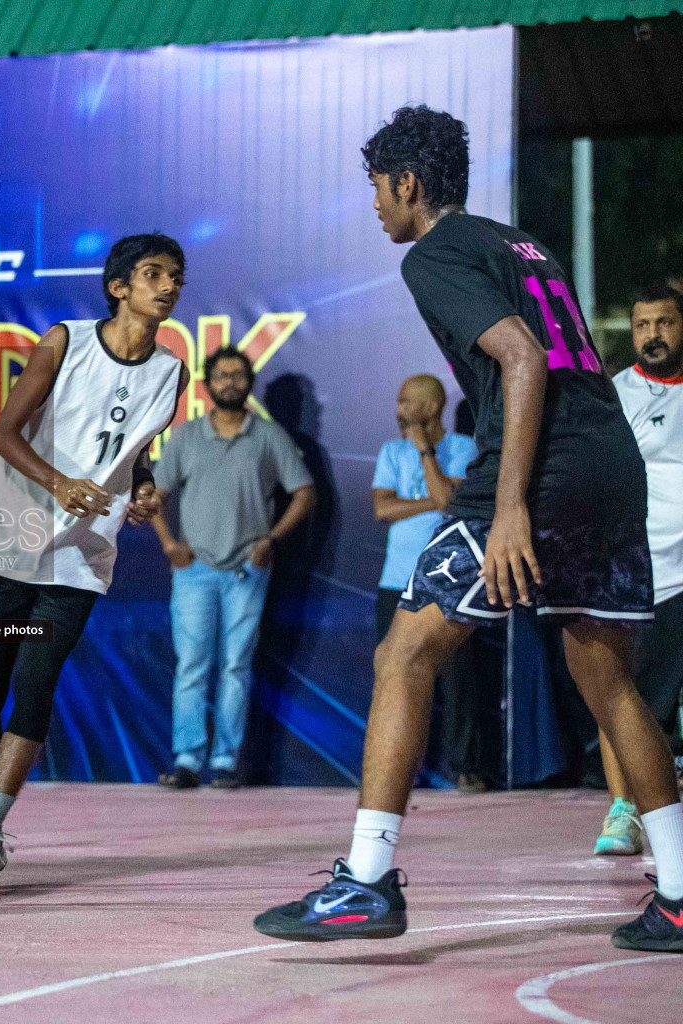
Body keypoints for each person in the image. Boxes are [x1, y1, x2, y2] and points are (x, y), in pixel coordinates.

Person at [254, 105, 683, 953]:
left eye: (377, 186)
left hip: (540, 474)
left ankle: (367, 883)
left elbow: (522, 358)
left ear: (409, 182)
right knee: (611, 686)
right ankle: (678, 893)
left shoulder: (436, 253)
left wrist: (512, 507)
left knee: (402, 655)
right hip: (609, 466)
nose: (375, 203)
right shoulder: (520, 242)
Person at [0, 233, 186, 888]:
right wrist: (59, 483)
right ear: (118, 286)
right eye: (152, 273)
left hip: (82, 551)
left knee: (36, 683)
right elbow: (3, 432)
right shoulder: (65, 340)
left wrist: (141, 489)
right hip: (11, 529)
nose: (167, 285)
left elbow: (134, 451)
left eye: (175, 276)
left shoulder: (172, 371)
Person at [150, 347, 316, 789]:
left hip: (247, 567)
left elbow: (304, 492)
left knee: (236, 667)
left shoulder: (268, 436)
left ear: (249, 383)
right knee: (191, 666)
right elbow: (153, 497)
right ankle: (187, 760)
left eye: (238, 375)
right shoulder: (185, 437)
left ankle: (224, 762)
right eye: (221, 376)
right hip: (194, 569)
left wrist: (272, 539)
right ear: (207, 384)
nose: (230, 383)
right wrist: (169, 544)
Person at [594, 283, 683, 856]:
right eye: (643, 323)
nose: (653, 334)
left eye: (665, 322)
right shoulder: (614, 396)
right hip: (638, 568)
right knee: (621, 691)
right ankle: (624, 810)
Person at [371, 375, 488, 792]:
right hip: (395, 579)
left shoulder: (464, 448)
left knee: (458, 679)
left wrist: (424, 451)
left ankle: (466, 767)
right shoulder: (390, 450)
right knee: (394, 671)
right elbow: (383, 508)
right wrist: (431, 501)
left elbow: (449, 501)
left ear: (431, 406)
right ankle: (396, 769)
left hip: (450, 579)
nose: (399, 409)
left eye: (406, 402)